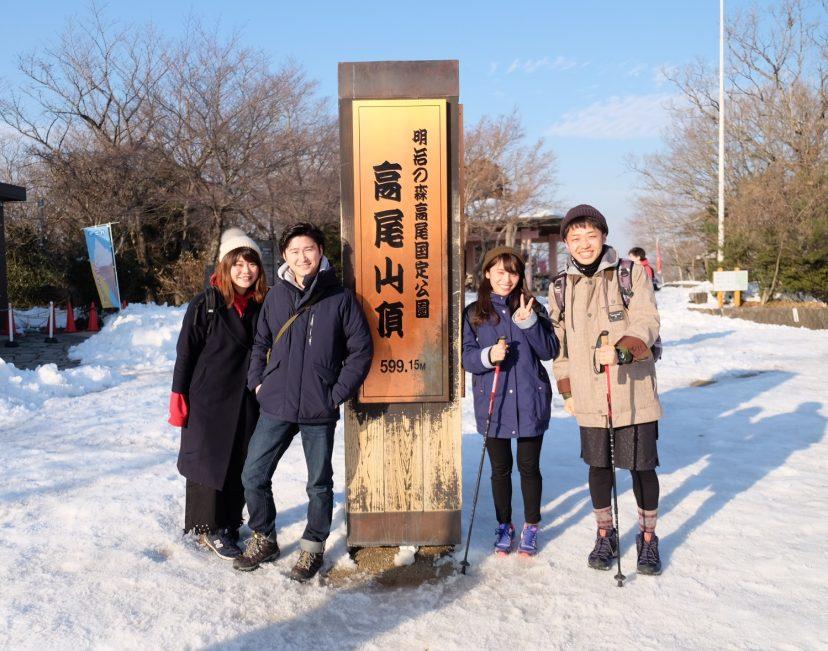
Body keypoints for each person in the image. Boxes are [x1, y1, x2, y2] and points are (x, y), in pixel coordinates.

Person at [235, 222, 373, 582]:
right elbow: (261, 343)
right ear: (285, 256)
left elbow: (360, 350)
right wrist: (258, 383)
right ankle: (264, 537)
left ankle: (313, 547)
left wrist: (336, 393)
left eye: (308, 249)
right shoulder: (276, 297)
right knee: (253, 474)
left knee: (319, 483)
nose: (302, 257)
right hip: (276, 402)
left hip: (318, 406)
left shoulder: (339, 298)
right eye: (294, 251)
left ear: (320, 252)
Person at [549, 205, 663, 575]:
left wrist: (621, 350)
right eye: (575, 238)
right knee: (598, 467)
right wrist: (567, 391)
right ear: (567, 242)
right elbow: (560, 346)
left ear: (603, 237)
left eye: (591, 236)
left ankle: (648, 537)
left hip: (633, 390)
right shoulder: (560, 287)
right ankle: (605, 533)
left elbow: (648, 320)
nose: (584, 244)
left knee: (641, 467)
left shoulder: (629, 273)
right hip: (588, 394)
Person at [169, 228, 268, 560]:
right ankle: (206, 528)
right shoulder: (206, 304)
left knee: (239, 460)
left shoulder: (261, 304)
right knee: (206, 462)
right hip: (207, 398)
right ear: (225, 266)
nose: (245, 271)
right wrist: (178, 396)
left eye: (251, 263)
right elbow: (186, 354)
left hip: (246, 398)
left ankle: (229, 523)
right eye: (237, 263)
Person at [462, 247, 559, 557]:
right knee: (500, 469)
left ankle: (531, 524)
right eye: (500, 272)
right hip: (494, 400)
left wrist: (530, 324)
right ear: (487, 273)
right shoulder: (474, 313)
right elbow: (466, 358)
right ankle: (504, 525)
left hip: (530, 399)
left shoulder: (532, 307)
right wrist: (488, 356)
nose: (506, 279)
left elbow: (549, 351)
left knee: (529, 468)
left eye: (513, 272)